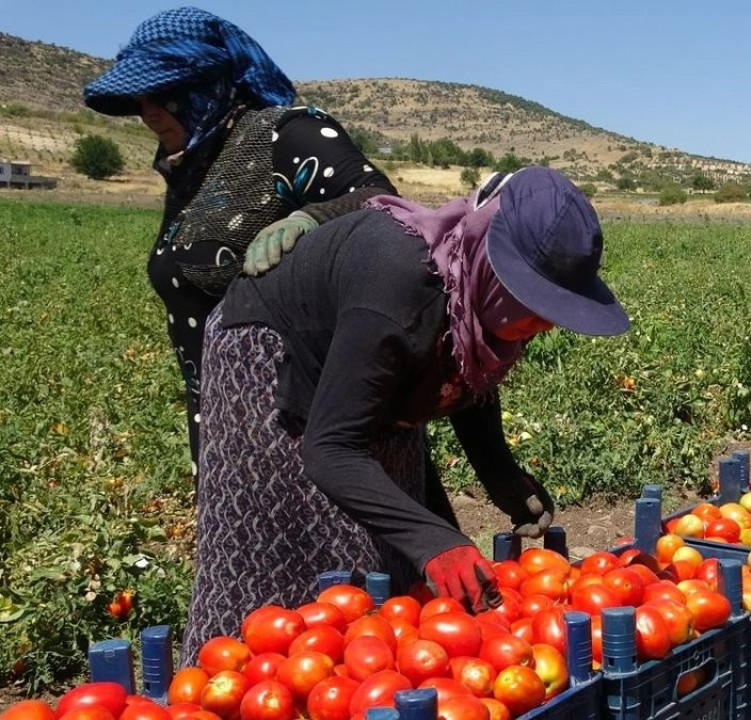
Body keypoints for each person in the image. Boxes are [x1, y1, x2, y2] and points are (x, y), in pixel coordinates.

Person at [180, 167, 628, 662]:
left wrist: (500, 476)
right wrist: (436, 541)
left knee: (393, 539)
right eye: (537, 299)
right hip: (268, 359)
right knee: (298, 547)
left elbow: (464, 378)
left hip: (366, 350)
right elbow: (330, 449)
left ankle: (375, 675)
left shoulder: (470, 292)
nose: (545, 323)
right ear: (492, 262)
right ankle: (247, 678)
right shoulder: (399, 288)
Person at [83, 7, 398, 479]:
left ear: (210, 85)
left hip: (305, 435)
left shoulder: (285, 134)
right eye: (140, 97)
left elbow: (384, 201)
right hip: (224, 434)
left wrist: (313, 216)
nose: (148, 112)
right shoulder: (192, 164)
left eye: (165, 94)